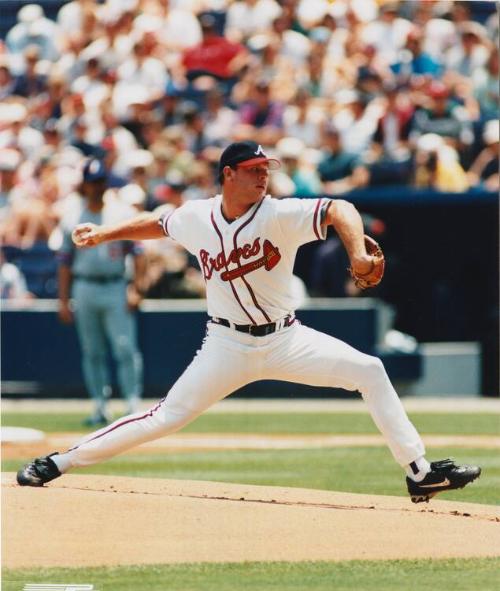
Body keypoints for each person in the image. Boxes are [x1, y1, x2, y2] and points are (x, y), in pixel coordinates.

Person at [17, 141, 480, 503]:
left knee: (370, 371)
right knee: (165, 417)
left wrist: (356, 251)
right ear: (228, 174)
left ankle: (420, 473)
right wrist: (103, 233)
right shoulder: (198, 216)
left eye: (267, 171)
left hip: (287, 338)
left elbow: (341, 209)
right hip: (226, 345)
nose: (264, 177)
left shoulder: (279, 213)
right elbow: (158, 223)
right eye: (255, 171)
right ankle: (61, 461)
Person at [57, 158, 145, 426]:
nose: (96, 187)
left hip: (115, 284)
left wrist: (136, 288)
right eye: (92, 182)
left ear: (106, 183)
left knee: (124, 347)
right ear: (84, 185)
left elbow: (139, 253)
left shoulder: (120, 213)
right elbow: (64, 262)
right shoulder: (72, 216)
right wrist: (63, 299)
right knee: (92, 350)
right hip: (84, 286)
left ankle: (132, 404)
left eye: (100, 182)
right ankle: (99, 406)